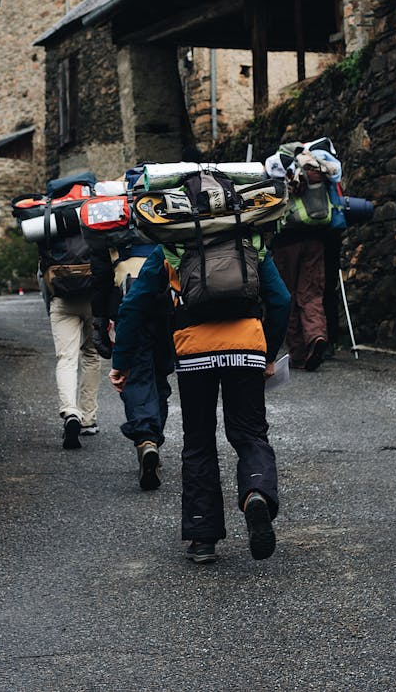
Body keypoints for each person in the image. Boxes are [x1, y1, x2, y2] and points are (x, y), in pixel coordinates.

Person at [109, 235, 290, 564]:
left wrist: (121, 361)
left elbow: (135, 304)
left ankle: (202, 536)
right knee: (249, 434)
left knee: (198, 441)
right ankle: (255, 493)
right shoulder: (249, 242)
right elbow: (281, 299)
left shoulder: (172, 247)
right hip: (246, 346)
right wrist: (268, 352)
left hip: (194, 353)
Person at [90, 238, 173, 489]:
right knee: (160, 375)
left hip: (128, 301)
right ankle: (153, 440)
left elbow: (101, 275)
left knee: (137, 376)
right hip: (169, 302)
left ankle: (146, 438)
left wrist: (99, 321)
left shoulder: (115, 219)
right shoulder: (168, 214)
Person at [266, 142, 342, 372]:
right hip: (315, 240)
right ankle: (317, 337)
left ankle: (298, 354)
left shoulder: (278, 164)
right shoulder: (316, 164)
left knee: (287, 295)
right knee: (311, 293)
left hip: (286, 243)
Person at [38, 225, 101, 450]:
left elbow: (42, 273)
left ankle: (70, 412)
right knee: (91, 355)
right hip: (93, 297)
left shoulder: (52, 221)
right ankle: (88, 419)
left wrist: (52, 306)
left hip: (62, 298)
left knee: (66, 359)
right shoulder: (93, 214)